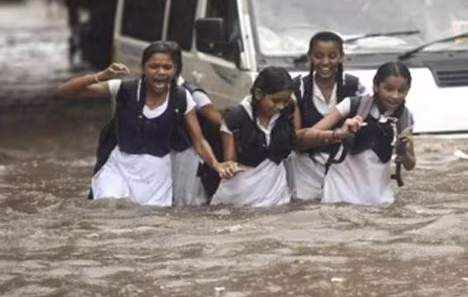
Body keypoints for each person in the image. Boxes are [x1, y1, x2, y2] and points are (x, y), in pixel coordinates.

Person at [57, 40, 235, 206]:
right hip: (119, 168)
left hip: (156, 175)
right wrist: (101, 75)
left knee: (148, 224)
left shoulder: (182, 97)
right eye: (154, 66)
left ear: (176, 71)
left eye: (167, 67)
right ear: (143, 68)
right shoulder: (125, 89)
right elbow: (65, 91)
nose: (160, 72)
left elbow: (199, 142)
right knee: (108, 210)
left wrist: (217, 165)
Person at [298, 61, 416, 206]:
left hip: (379, 194)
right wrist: (339, 133)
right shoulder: (351, 105)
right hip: (341, 190)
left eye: (401, 91)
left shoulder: (404, 117)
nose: (395, 96)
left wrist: (406, 148)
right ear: (376, 86)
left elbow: (410, 165)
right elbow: (309, 135)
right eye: (389, 89)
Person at [289, 31, 367, 201]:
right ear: (310, 57)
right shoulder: (297, 88)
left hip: (343, 166)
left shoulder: (356, 87)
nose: (325, 62)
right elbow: (296, 140)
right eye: (318, 56)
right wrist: (336, 135)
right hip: (305, 168)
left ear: (341, 57)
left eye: (332, 56)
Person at [210, 67, 300, 207]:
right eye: (275, 101)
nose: (280, 106)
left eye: (285, 101)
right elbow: (230, 160)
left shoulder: (288, 112)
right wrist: (229, 168)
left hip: (277, 197)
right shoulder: (235, 118)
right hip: (241, 197)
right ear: (258, 94)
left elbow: (294, 142)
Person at [170, 75, 223, 206]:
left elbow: (220, 121)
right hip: (168, 154)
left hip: (190, 154)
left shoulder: (194, 94)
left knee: (187, 200)